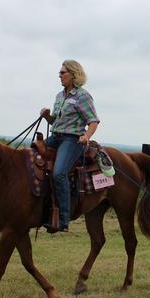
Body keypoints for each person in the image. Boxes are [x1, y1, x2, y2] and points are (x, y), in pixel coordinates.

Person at [40, 59, 100, 231]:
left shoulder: (83, 96)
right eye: (59, 73)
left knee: (59, 173)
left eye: (62, 72)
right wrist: (47, 116)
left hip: (72, 140)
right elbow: (55, 122)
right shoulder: (59, 96)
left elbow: (93, 121)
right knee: (29, 155)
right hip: (55, 137)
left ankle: (63, 219)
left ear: (73, 74)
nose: (59, 75)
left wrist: (86, 136)